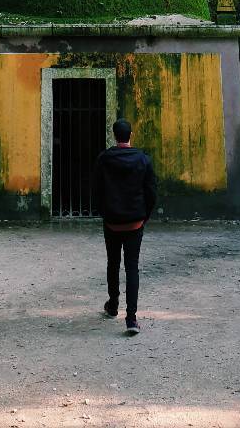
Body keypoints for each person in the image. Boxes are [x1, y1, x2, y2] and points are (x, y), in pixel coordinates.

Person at [91, 118, 157, 336]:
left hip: (112, 222)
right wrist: (143, 217)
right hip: (135, 222)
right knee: (132, 267)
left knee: (113, 263)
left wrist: (105, 213)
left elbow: (96, 191)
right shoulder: (142, 159)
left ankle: (113, 305)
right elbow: (151, 192)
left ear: (114, 135)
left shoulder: (104, 159)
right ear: (131, 134)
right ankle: (131, 318)